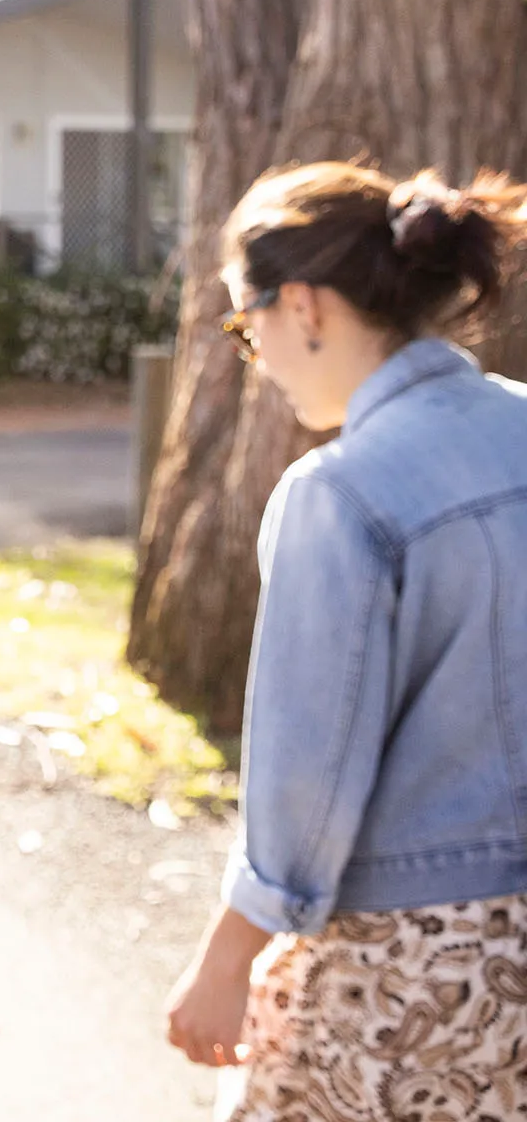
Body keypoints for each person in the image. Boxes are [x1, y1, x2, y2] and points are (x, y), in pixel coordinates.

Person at [163, 161, 527, 1119]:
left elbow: (305, 778)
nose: (256, 356)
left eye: (247, 327)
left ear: (308, 307)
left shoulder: (342, 494)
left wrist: (226, 959)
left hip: (407, 961)